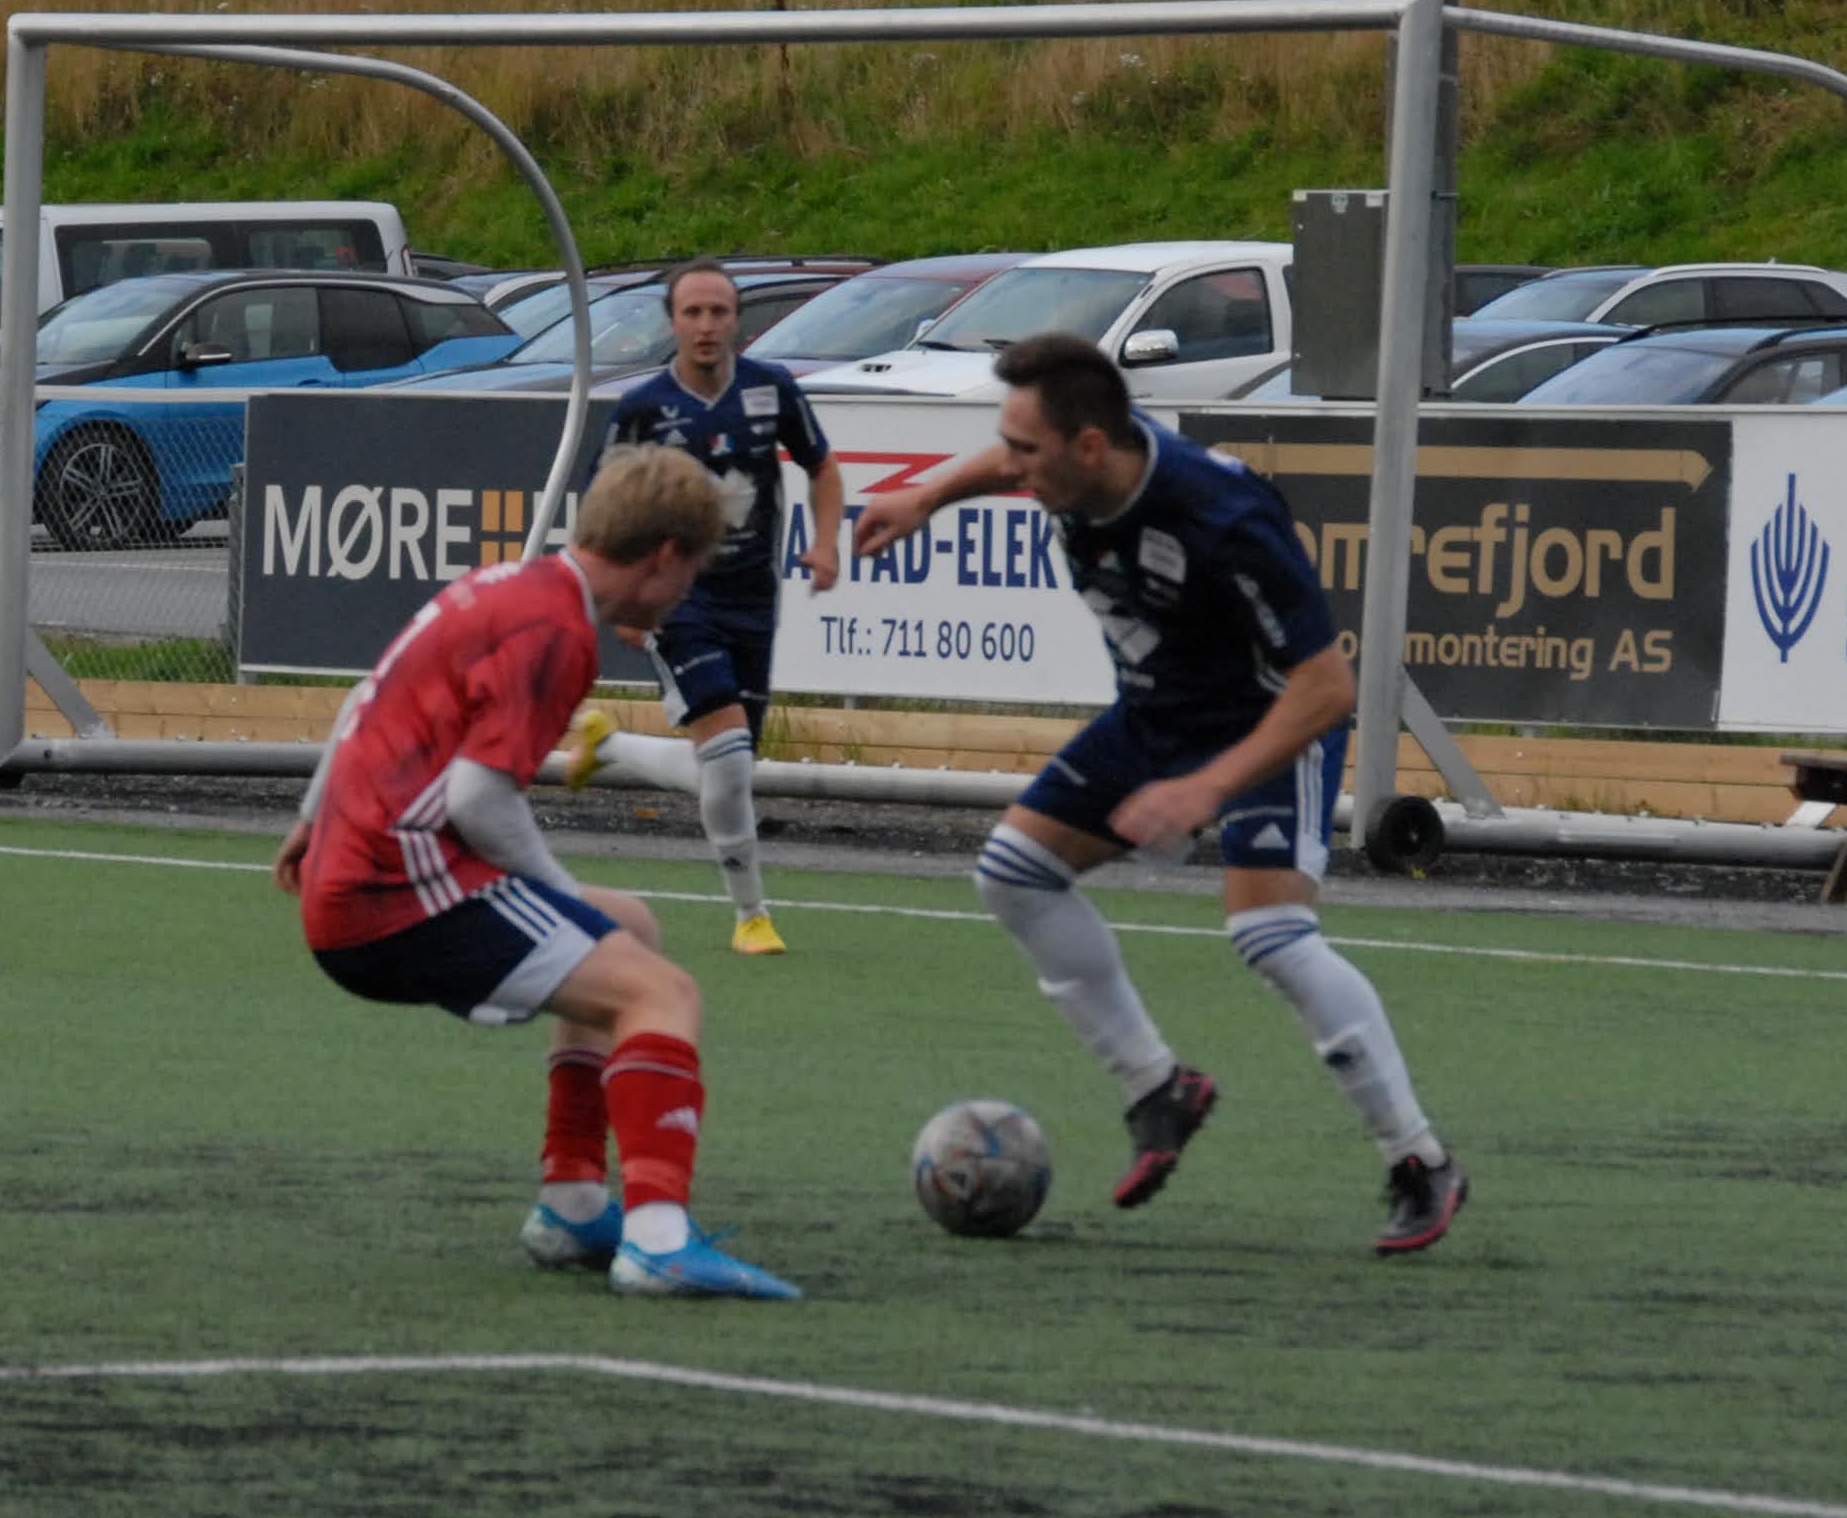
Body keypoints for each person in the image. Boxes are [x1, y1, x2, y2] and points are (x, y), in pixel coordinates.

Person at [849, 334, 1468, 1256]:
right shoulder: (1084, 458)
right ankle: (1158, 1088)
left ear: (1091, 446)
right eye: (1008, 445)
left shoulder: (1222, 516)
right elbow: (1010, 457)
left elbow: (1327, 688)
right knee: (1014, 875)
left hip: (1267, 723)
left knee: (1271, 937)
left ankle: (1419, 1160)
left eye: (1025, 451)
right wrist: (928, 497)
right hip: (1156, 717)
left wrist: (1206, 789)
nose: (1011, 468)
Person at [279, 444, 800, 1299]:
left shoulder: (506, 584)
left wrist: (310, 819)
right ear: (664, 557)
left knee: (628, 926)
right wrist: (559, 896)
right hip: (395, 892)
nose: (688, 592)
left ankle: (572, 1202)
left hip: (364, 873)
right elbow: (479, 797)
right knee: (662, 994)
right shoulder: (558, 631)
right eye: (693, 571)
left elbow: (362, 698)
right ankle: (659, 1244)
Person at [591, 260, 842, 955]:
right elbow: (601, 505)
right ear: (672, 322)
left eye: (719, 312)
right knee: (728, 758)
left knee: (728, 766)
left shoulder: (771, 388)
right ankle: (751, 914)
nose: (706, 325)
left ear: (737, 321)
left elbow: (821, 466)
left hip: (755, 598)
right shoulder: (643, 407)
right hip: (677, 600)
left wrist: (826, 544)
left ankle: (609, 747)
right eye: (692, 313)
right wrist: (625, 596)